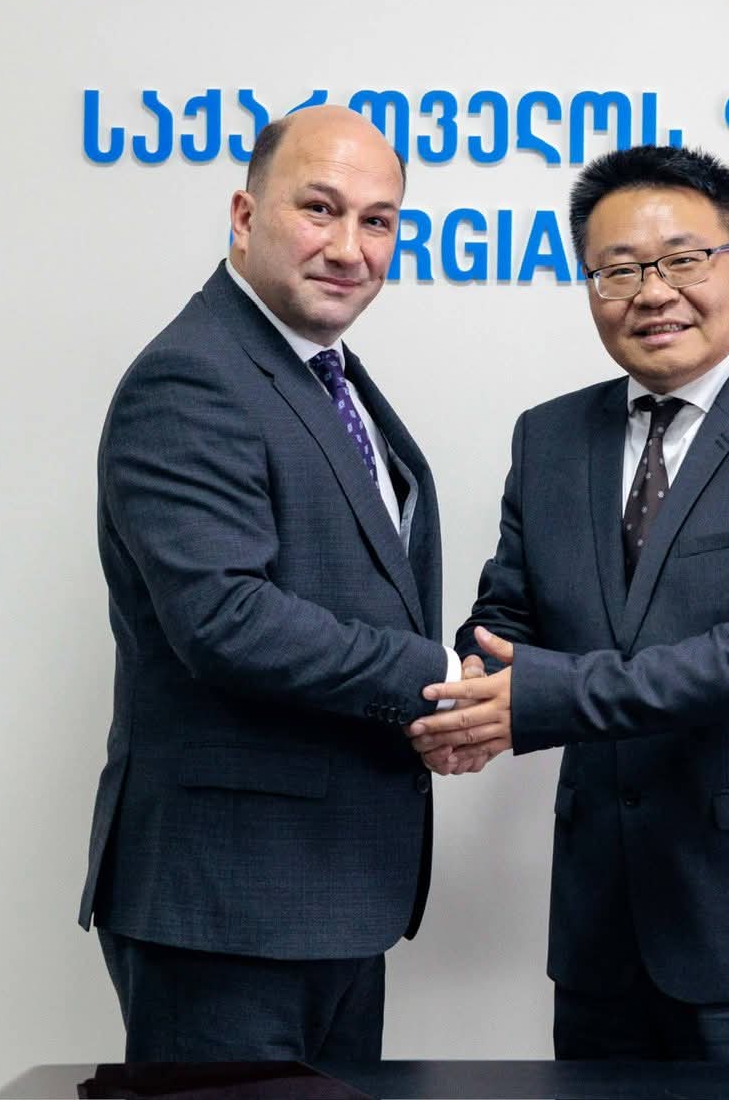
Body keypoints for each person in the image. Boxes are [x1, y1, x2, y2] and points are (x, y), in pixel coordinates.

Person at [409, 143, 729, 1063]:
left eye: (683, 259)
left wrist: (539, 700)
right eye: (619, 270)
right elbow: (507, 615)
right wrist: (467, 691)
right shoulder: (549, 437)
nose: (653, 292)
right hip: (602, 930)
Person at [78, 105, 467, 1063]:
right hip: (228, 907)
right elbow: (225, 618)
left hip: (329, 893)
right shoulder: (193, 376)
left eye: (378, 221)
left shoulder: (320, 371)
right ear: (245, 216)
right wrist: (437, 681)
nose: (349, 247)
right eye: (319, 208)